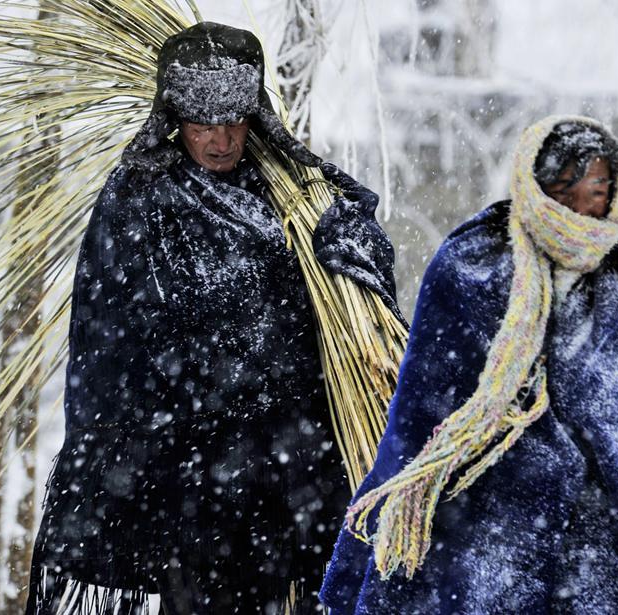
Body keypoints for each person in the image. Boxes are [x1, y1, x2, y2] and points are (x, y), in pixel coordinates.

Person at [25, 21, 403, 615]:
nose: (221, 140)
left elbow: (365, 294)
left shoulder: (296, 191)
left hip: (296, 469)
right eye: (204, 124)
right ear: (175, 116)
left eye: (234, 121)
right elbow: (107, 344)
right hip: (193, 477)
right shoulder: (140, 196)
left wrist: (353, 252)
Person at [319, 115, 618, 614]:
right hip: (482, 511)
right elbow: (425, 403)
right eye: (568, 189)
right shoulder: (472, 264)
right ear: (536, 185)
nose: (584, 209)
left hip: (592, 526)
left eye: (598, 191)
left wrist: (585, 459)